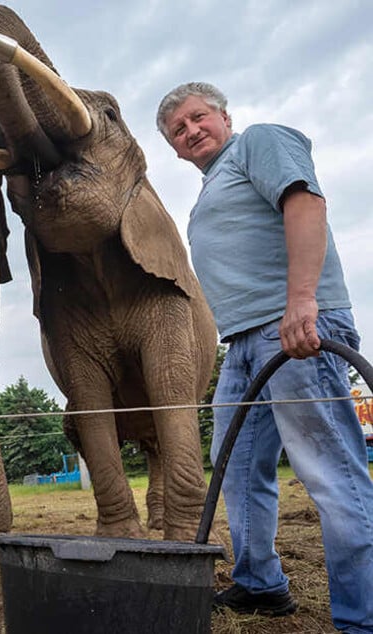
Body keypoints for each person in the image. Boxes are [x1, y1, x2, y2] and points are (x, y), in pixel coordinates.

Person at [156, 82, 373, 633]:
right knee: (237, 468)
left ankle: (363, 615)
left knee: (330, 472)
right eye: (178, 131)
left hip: (295, 328)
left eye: (198, 117)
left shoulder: (259, 142)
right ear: (175, 149)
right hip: (244, 345)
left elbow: (305, 201)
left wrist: (302, 300)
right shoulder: (209, 188)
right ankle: (260, 583)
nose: (191, 131)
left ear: (224, 116)